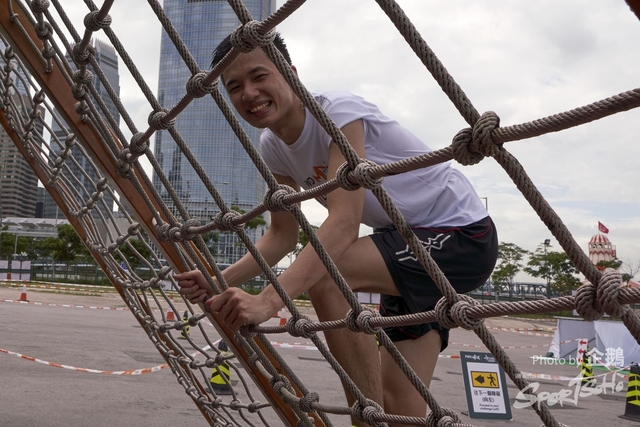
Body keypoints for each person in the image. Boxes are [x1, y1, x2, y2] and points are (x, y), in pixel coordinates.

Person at [175, 32, 498, 427]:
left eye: (259, 76)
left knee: (329, 273)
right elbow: (282, 236)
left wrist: (268, 302)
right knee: (401, 404)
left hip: (460, 234)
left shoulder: (336, 113)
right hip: (401, 247)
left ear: (291, 74)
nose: (250, 93)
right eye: (235, 87)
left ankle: (365, 419)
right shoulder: (272, 145)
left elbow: (344, 223)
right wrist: (218, 281)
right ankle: (380, 414)